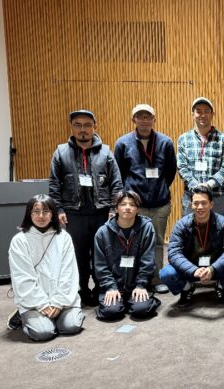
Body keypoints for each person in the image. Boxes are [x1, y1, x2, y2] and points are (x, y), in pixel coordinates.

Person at [49, 109, 123, 306]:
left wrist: (114, 209)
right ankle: (81, 289)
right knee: (78, 255)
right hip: (74, 214)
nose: (83, 130)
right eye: (78, 125)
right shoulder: (61, 153)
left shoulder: (106, 152)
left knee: (102, 253)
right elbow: (54, 185)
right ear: (71, 127)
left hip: (102, 213)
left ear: (94, 127)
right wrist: (59, 209)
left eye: (87, 125)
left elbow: (116, 184)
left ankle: (101, 288)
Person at [114, 104, 177, 294]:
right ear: (133, 120)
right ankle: (135, 281)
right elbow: (119, 174)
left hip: (159, 204)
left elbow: (170, 172)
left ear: (154, 120)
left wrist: (158, 188)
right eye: (140, 117)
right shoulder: (123, 143)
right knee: (133, 243)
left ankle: (156, 279)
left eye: (148, 117)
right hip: (135, 206)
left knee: (157, 242)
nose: (144, 120)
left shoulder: (165, 142)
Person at [7, 194, 84, 341]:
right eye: (36, 211)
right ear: (29, 214)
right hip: (33, 301)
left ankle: (55, 317)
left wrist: (58, 303)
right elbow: (22, 277)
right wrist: (42, 304)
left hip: (62, 298)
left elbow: (69, 272)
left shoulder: (64, 237)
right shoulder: (19, 241)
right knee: (43, 333)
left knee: (71, 326)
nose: (41, 216)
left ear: (53, 214)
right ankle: (22, 316)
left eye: (46, 211)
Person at [159, 186, 224, 308]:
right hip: (190, 269)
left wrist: (212, 269)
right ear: (191, 204)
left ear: (211, 204)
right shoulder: (181, 225)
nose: (199, 207)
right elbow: (173, 253)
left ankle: (222, 287)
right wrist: (193, 270)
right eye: (196, 203)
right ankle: (187, 288)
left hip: (216, 268)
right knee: (166, 273)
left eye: (204, 203)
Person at [93, 191, 161, 320]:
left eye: (132, 204)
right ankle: (122, 302)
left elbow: (148, 261)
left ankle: (133, 301)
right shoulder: (102, 232)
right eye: (123, 204)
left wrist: (141, 285)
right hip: (114, 286)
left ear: (138, 209)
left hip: (136, 285)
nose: (128, 207)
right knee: (110, 312)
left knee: (141, 309)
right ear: (116, 208)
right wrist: (110, 287)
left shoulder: (147, 228)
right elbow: (100, 266)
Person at [177, 97, 224, 217]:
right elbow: (181, 167)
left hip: (217, 197)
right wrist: (195, 186)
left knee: (218, 228)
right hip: (191, 196)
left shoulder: (223, 139)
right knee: (190, 228)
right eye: (199, 111)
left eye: (206, 111)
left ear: (212, 114)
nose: (203, 115)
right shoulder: (183, 139)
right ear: (193, 114)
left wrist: (208, 185)